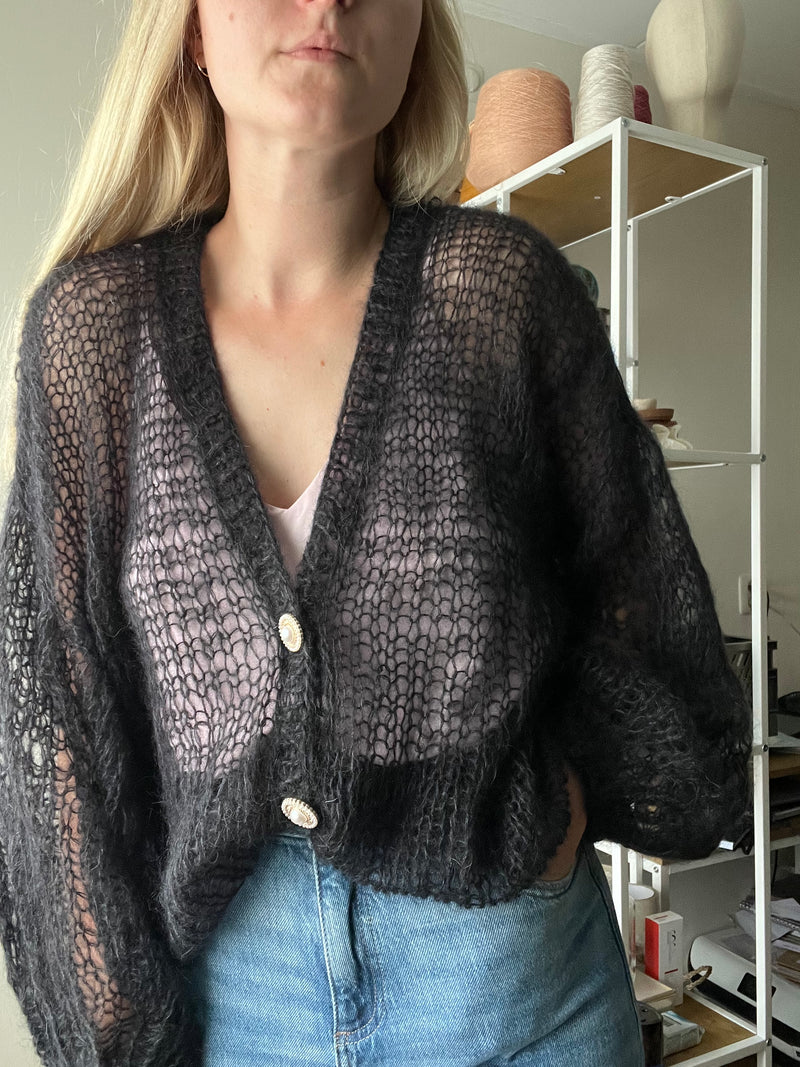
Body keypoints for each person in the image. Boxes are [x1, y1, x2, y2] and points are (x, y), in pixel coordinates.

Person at [0, 1, 751, 1065]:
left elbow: (634, 613)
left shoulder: (499, 295)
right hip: (238, 1001)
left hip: (516, 980)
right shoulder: (96, 335)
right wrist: (118, 1028)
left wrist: (563, 806)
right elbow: (60, 719)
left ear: (416, 31)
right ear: (194, 31)